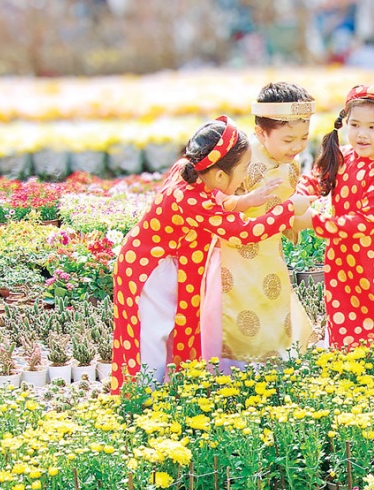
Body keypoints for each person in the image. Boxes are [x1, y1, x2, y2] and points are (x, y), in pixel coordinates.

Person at [111, 116, 314, 391]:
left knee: (168, 332)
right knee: (150, 337)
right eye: (243, 171)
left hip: (162, 264)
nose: (244, 178)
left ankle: (164, 395)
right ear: (220, 175)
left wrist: (244, 201)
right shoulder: (190, 198)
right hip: (151, 270)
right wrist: (288, 210)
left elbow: (216, 204)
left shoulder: (188, 170)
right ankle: (143, 398)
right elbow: (243, 233)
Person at [202, 82, 319, 368]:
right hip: (236, 255)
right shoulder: (243, 161)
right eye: (288, 139)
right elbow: (218, 200)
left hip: (270, 253)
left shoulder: (292, 164)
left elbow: (287, 210)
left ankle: (272, 372)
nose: (297, 147)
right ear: (260, 132)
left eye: (303, 138)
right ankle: (237, 372)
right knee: (241, 311)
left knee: (272, 307)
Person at [309, 85, 374, 350]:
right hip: (341, 252)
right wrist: (298, 196)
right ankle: (347, 361)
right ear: (345, 123)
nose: (362, 134)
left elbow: (368, 221)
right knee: (342, 307)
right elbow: (315, 180)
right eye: (355, 125)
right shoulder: (343, 157)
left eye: (373, 127)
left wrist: (315, 222)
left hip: (373, 255)